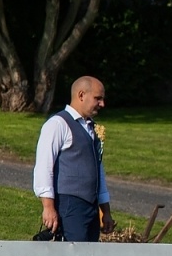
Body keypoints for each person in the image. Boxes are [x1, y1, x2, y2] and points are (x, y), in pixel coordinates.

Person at [34, 75, 114, 242]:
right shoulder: (58, 124)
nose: (102, 104)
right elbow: (44, 166)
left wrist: (105, 210)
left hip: (90, 207)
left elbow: (98, 171)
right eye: (97, 98)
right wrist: (48, 207)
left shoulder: (91, 128)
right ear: (81, 95)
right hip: (69, 205)